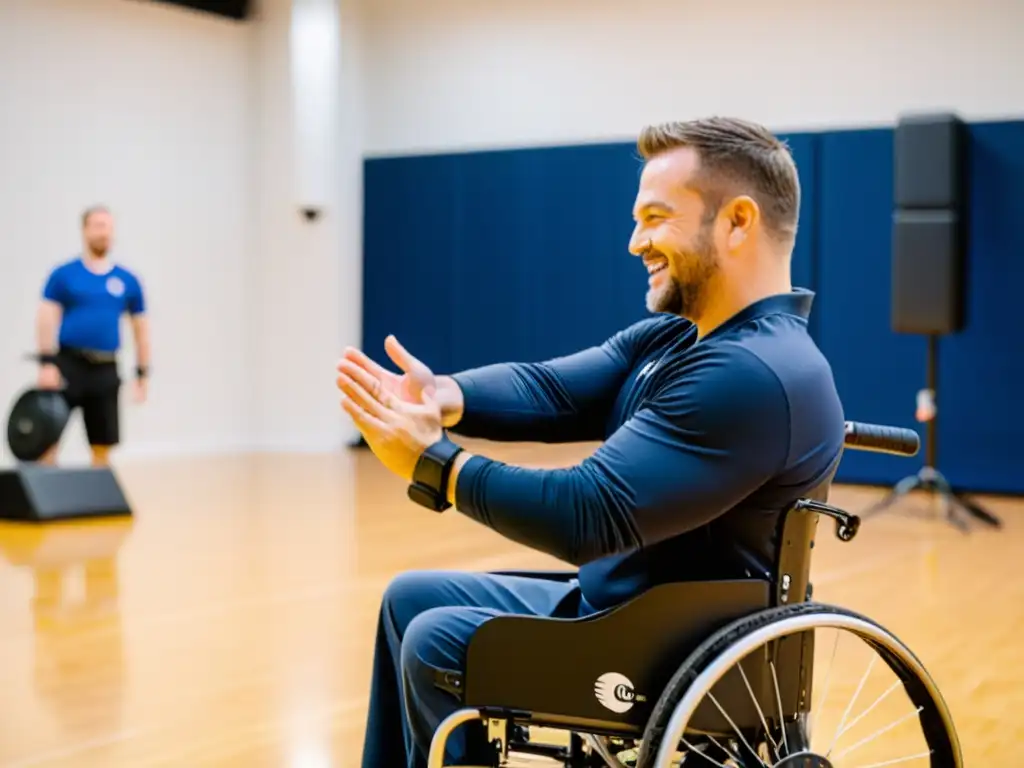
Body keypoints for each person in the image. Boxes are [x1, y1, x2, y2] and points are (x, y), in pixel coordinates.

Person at [339, 117, 846, 768]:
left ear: (737, 222)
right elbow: (552, 390)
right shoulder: (685, 338)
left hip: (677, 645)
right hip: (624, 611)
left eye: (656, 217)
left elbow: (590, 513)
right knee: (410, 599)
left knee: (441, 638)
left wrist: (437, 466)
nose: (636, 242)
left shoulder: (756, 373)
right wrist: (442, 394)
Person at [35, 205, 150, 467]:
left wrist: (142, 372)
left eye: (108, 227)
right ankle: (49, 499)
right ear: (85, 230)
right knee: (47, 437)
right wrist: (47, 363)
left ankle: (97, 502)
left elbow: (141, 328)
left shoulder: (127, 280)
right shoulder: (65, 275)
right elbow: (46, 318)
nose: (104, 233)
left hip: (105, 369)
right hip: (68, 365)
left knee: (102, 444)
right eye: (98, 226)